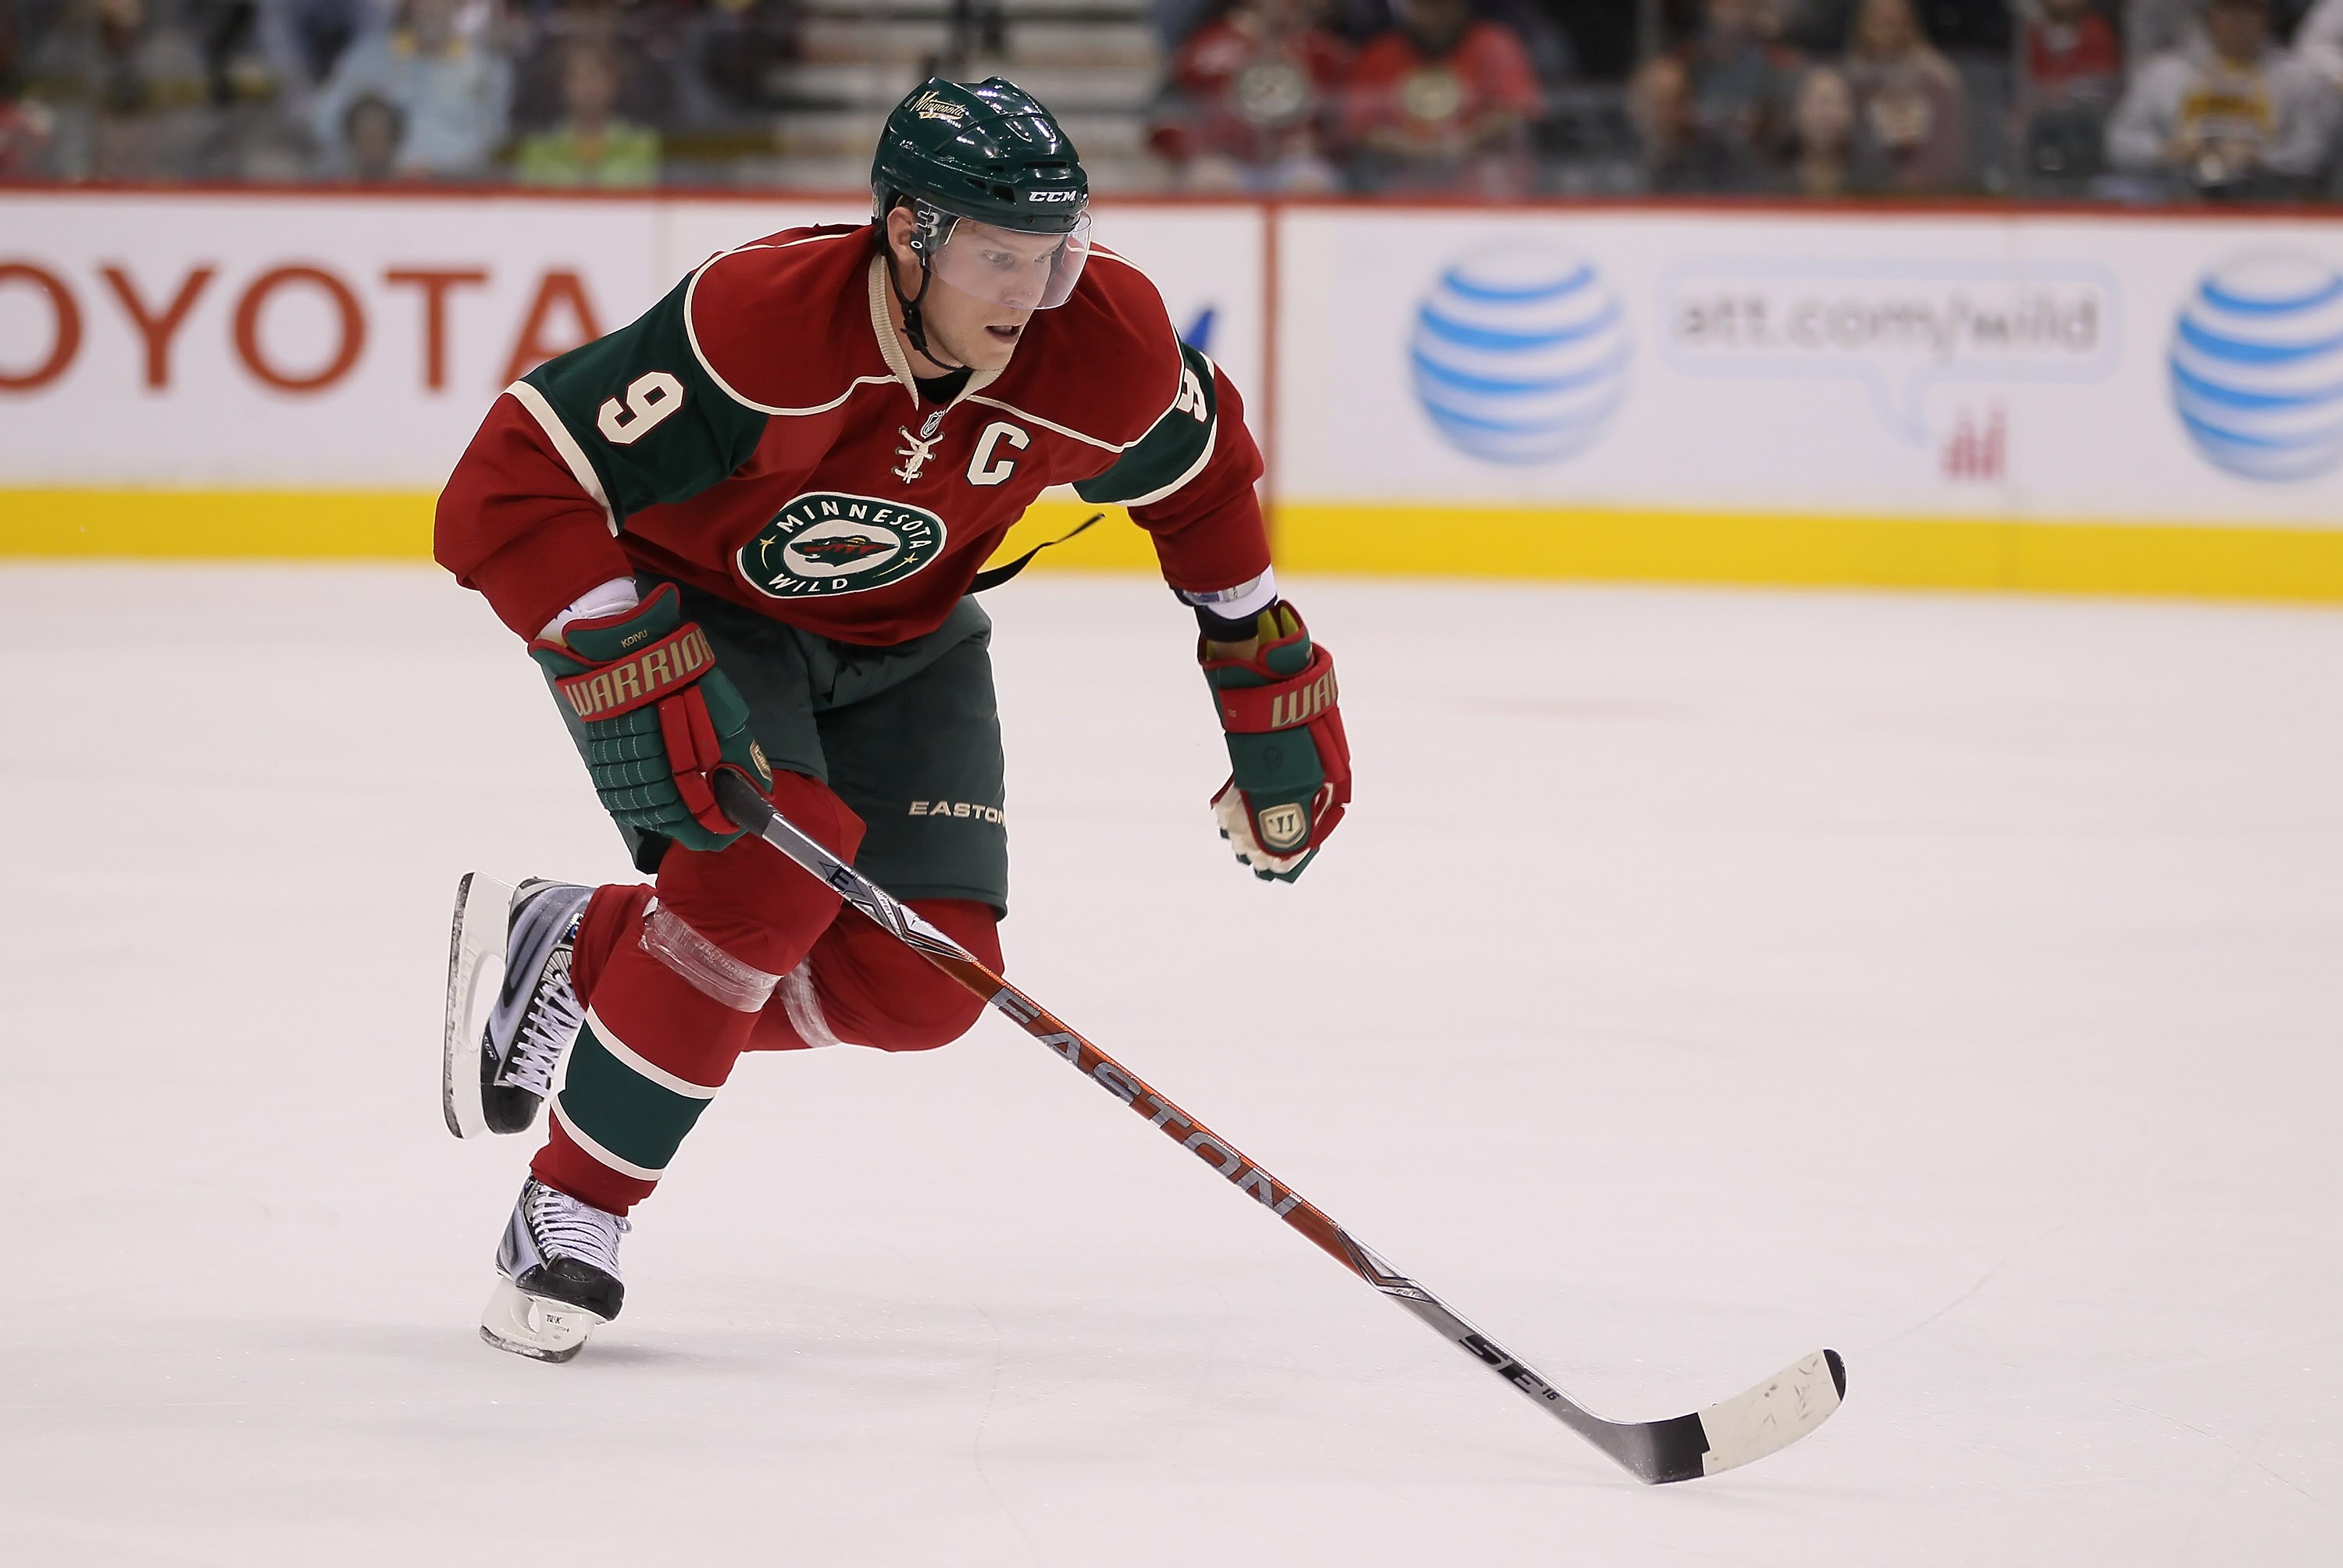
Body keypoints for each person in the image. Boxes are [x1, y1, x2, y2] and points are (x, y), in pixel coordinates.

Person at [432, 77, 1354, 1363]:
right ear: (907, 235)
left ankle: (581, 941)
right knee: (762, 875)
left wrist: (1259, 669)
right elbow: (512, 480)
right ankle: (571, 1210)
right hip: (709, 609)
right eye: (996, 255)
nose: (1033, 293)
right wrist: (618, 648)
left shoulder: (1104, 345)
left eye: (1056, 253)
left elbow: (1203, 477)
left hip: (910, 638)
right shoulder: (756, 327)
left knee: (923, 983)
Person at [2106, 0, 2341, 197]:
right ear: (2209, 17)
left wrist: (2259, 158)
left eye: (2248, 12)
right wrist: (2166, 152)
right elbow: (2120, 142)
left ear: (2266, 19)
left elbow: (2312, 152)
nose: (2237, 22)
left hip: (2270, 195)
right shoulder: (2164, 73)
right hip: (2174, 191)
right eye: (2227, 11)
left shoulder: (2298, 77)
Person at [1150, 0, 1351, 192]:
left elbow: (1347, 119)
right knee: (1210, 179)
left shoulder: (1323, 51)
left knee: (1310, 182)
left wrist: (1320, 144)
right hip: (1226, 158)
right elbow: (1172, 112)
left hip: (1296, 160)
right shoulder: (1209, 44)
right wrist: (1201, 144)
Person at [1344, 0, 1542, 195]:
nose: (1435, 16)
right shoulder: (1380, 53)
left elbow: (1516, 110)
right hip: (1400, 169)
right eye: (1426, 6)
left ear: (1462, 7)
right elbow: (1362, 127)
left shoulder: (1494, 45)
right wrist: (1415, 150)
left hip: (1477, 165)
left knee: (1495, 171)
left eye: (1444, 5)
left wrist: (1463, 142)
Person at [309, 0, 509, 179]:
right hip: (374, 189)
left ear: (462, 5)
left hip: (451, 193)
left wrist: (435, 172)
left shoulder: (487, 70)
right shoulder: (367, 56)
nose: (432, 7)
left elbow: (492, 144)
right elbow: (323, 121)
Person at [1841, 0, 1971, 191]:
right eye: (1880, 19)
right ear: (1864, 23)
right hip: (1859, 193)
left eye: (1896, 19)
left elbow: (1950, 151)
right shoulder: (1848, 82)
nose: (1889, 27)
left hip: (1925, 196)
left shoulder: (1936, 81)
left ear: (1909, 23)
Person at [513, 38, 658, 185]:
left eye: (595, 77)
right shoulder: (539, 149)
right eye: (578, 79)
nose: (588, 88)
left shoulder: (641, 145)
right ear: (562, 86)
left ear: (615, 84)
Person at [1629, 52, 1756, 191]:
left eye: (1673, 101)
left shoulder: (1720, 159)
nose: (1663, 112)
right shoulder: (1615, 157)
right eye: (1653, 101)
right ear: (1633, 103)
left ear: (1689, 104)